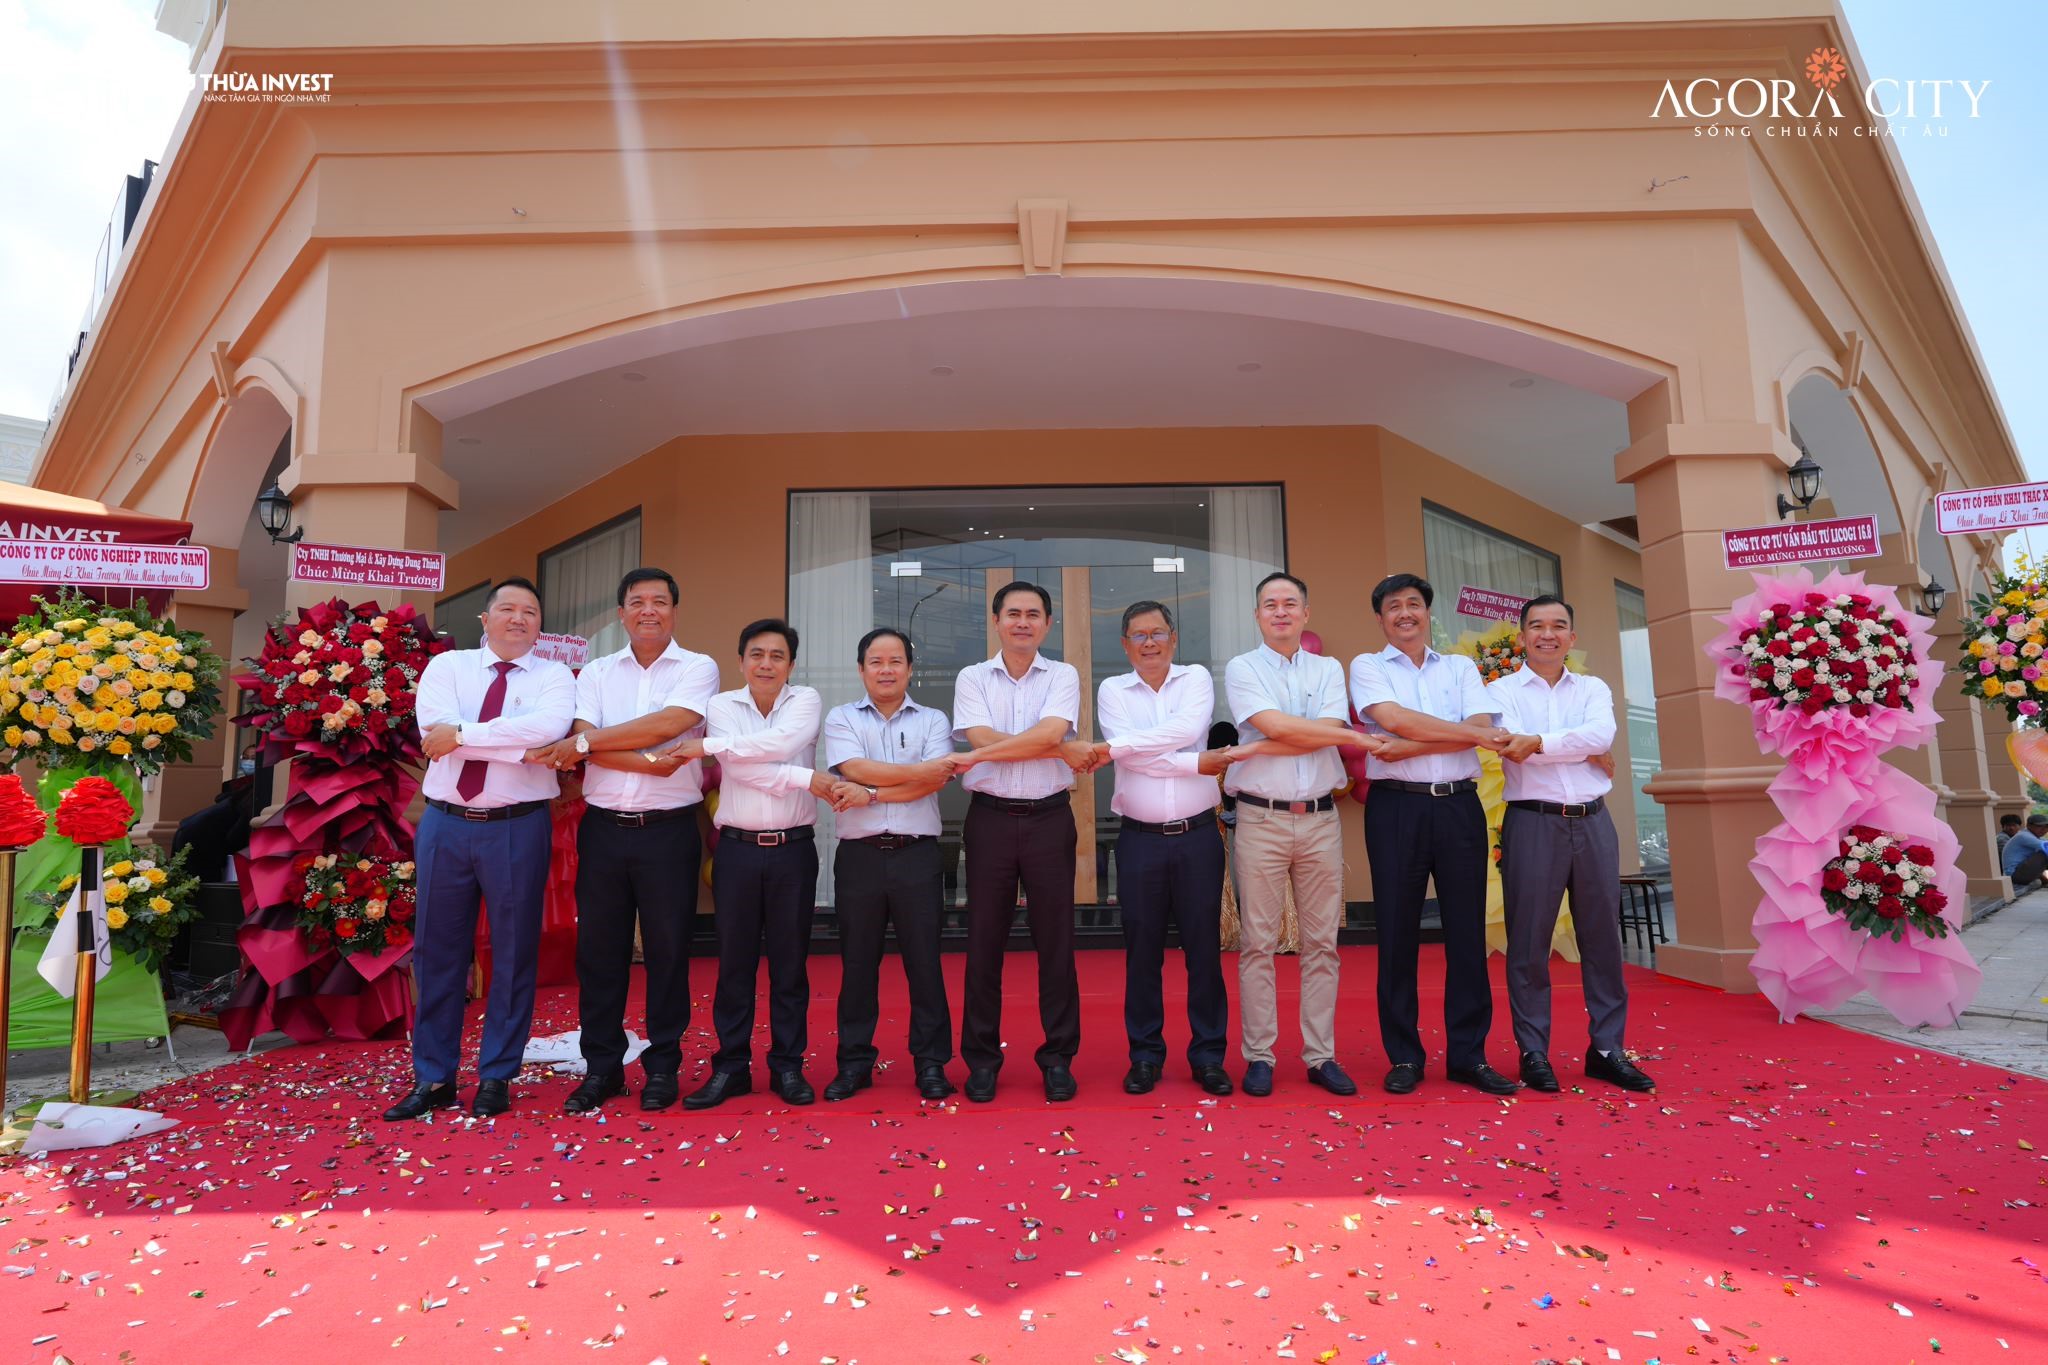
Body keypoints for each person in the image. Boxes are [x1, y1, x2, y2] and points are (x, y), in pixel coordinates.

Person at [524, 567, 721, 1114]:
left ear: (674, 610)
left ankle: (662, 1068)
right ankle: (602, 1068)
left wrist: (590, 745)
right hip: (604, 830)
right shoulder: (596, 672)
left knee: (667, 953)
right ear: (621, 613)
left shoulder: (698, 667)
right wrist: (629, 755)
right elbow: (590, 738)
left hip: (670, 832)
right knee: (599, 954)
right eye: (637, 601)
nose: (648, 610)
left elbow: (669, 725)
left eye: (659, 601)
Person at [385, 578, 576, 1121]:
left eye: (530, 612)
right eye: (507, 609)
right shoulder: (448, 667)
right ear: (485, 619)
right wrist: (514, 745)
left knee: (514, 952)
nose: (519, 618)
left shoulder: (554, 676)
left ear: (540, 626)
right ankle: (434, 1077)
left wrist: (464, 737)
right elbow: (434, 729)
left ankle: (497, 1074)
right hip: (446, 824)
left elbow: (547, 730)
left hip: (516, 826)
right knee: (437, 951)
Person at [1350, 572, 1516, 1098]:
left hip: (1458, 807)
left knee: (1466, 932)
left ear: (1427, 612)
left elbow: (1465, 724)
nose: (1405, 613)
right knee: (1396, 932)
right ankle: (1404, 1055)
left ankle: (1469, 1055)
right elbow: (1396, 719)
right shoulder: (1368, 666)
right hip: (1396, 808)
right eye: (1393, 606)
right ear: (1380, 618)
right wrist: (1468, 734)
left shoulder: (1461, 667)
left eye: (1414, 604)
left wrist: (1413, 744)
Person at [1488, 594, 1654, 1093]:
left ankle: (1607, 1049)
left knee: (1602, 938)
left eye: (1558, 625)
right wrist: (1572, 746)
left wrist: (1542, 741)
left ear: (1572, 637)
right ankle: (1533, 1051)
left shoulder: (1593, 687)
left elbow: (1600, 735)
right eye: (1537, 626)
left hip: (1594, 822)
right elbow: (1512, 746)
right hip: (1533, 824)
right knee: (1529, 942)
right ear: (1522, 637)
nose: (1548, 634)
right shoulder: (1499, 691)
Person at [1224, 571, 1380, 1098]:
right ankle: (1260, 1056)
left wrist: (1273, 738)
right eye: (1270, 604)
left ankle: (1320, 1056)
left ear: (1306, 613)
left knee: (1322, 944)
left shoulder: (1328, 668)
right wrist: (1308, 732)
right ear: (1257, 615)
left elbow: (1328, 729)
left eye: (1290, 603)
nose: (1281, 612)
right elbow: (1283, 728)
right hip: (1260, 819)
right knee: (1258, 944)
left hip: (1319, 820)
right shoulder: (1242, 667)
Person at [677, 619, 844, 1109]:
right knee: (735, 965)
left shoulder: (805, 700)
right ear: (741, 661)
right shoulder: (722, 706)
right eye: (757, 654)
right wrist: (803, 779)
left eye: (776, 656)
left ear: (791, 664)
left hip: (794, 850)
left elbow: (777, 747)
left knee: (790, 965)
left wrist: (712, 747)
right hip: (737, 851)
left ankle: (788, 1066)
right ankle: (731, 1068)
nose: (766, 664)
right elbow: (740, 767)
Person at [953, 581, 1097, 1104]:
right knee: (983, 944)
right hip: (989, 821)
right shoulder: (972, 677)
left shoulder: (1062, 674)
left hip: (1048, 820)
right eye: (1012, 613)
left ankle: (1058, 1058)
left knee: (1056, 944)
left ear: (1048, 624)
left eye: (1033, 614)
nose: (1022, 622)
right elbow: (978, 739)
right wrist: (1053, 748)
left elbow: (1049, 731)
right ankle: (982, 1061)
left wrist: (1044, 742)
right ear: (996, 621)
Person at [1092, 601, 1237, 1097]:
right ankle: (1145, 1056)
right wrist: (1194, 763)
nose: (1149, 642)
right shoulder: (1112, 690)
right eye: (1139, 635)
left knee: (1204, 951)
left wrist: (1124, 749)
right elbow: (1136, 755)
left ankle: (1209, 1056)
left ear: (1173, 638)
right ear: (1125, 644)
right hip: (1140, 841)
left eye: (1157, 633)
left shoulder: (1195, 679)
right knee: (1142, 953)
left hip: (1198, 837)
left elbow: (1184, 732)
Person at [818, 627, 959, 1102]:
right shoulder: (841, 717)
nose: (886, 670)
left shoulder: (933, 720)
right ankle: (854, 1063)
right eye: (876, 661)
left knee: (925, 963)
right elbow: (854, 769)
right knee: (858, 965)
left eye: (895, 661)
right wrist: (915, 773)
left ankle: (931, 1063)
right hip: (859, 858)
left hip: (917, 856)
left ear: (910, 669)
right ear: (861, 669)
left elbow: (933, 782)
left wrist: (875, 793)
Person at [2002, 812, 2048, 891]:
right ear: (2028, 826)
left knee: (2043, 852)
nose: (2044, 829)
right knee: (2044, 852)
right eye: (2039, 826)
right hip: (2014, 876)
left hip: (2020, 873)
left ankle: (2043, 882)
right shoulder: (2024, 836)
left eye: (2046, 826)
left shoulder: (2037, 838)